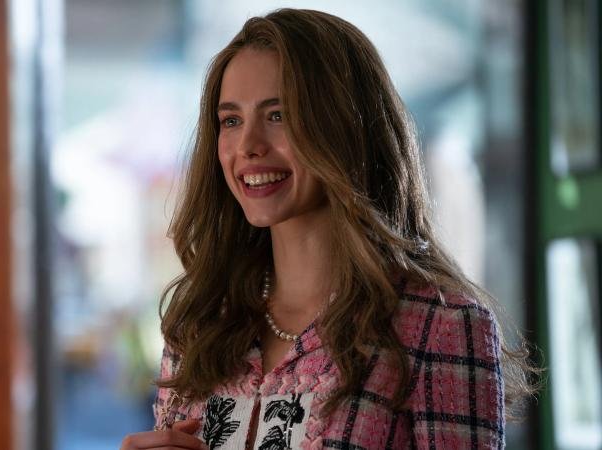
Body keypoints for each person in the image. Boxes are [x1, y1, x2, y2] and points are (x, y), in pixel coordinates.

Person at [120, 8, 536, 450]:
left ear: (344, 127)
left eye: (278, 115)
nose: (248, 146)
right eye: (231, 121)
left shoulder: (440, 325)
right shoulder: (200, 325)